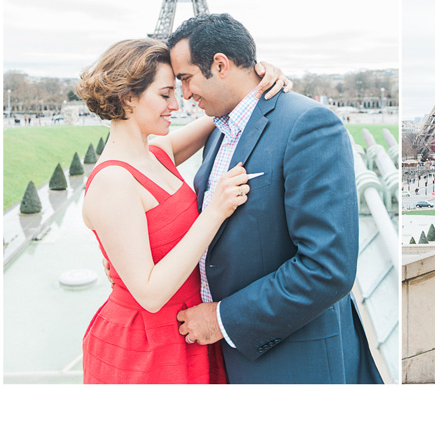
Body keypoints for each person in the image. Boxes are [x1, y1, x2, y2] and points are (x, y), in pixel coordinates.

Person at [167, 13, 382, 384]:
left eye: (186, 78)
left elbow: (327, 267)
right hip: (232, 356)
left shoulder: (309, 124)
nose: (185, 94)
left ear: (220, 65)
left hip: (294, 362)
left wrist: (221, 318)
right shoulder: (219, 130)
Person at [78, 38, 287, 383]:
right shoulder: (113, 181)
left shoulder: (158, 152)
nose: (176, 104)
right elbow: (150, 293)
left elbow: (230, 110)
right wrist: (215, 210)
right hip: (144, 346)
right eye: (164, 95)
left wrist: (258, 81)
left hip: (188, 329)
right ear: (128, 97)